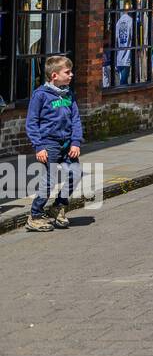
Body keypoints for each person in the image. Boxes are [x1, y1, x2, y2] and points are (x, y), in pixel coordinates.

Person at [24, 56, 83, 230]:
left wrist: (75, 142)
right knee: (48, 181)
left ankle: (58, 207)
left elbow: (76, 119)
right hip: (48, 144)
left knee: (76, 173)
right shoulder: (40, 95)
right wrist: (39, 146)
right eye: (68, 72)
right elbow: (32, 122)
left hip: (67, 144)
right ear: (54, 75)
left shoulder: (68, 94)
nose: (71, 75)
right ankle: (35, 215)